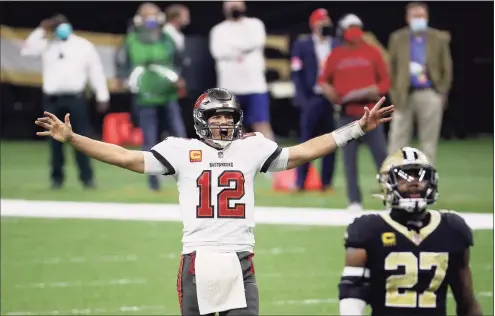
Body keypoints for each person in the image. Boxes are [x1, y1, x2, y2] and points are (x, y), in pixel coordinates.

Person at [35, 88, 393, 316]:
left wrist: (356, 129)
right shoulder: (180, 149)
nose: (222, 122)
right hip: (198, 258)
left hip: (241, 258)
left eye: (228, 116)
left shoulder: (252, 147)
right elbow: (126, 157)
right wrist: (74, 139)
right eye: (215, 116)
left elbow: (302, 153)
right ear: (201, 120)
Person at [338, 147, 482, 316]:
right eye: (403, 177)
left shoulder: (452, 228)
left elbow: (466, 300)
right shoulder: (368, 230)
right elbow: (352, 293)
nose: (414, 182)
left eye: (420, 176)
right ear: (386, 183)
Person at [21, 14, 109, 190]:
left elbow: (96, 70)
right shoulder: (46, 44)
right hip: (53, 100)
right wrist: (41, 29)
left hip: (76, 98)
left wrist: (102, 95)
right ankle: (56, 179)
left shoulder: (83, 45)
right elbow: (27, 51)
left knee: (81, 140)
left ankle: (87, 178)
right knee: (54, 142)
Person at [319, 14, 390, 212]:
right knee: (349, 161)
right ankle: (354, 200)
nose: (354, 31)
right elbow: (323, 80)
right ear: (342, 31)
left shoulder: (373, 52)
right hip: (346, 115)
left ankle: (391, 197)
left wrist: (371, 90)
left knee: (382, 158)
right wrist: (329, 91)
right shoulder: (336, 55)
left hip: (370, 114)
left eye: (356, 26)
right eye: (350, 27)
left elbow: (385, 82)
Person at [116, 2, 187, 191]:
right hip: (145, 96)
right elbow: (122, 62)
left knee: (180, 137)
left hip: (168, 94)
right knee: (149, 140)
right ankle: (153, 182)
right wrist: (123, 78)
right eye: (146, 15)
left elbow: (179, 61)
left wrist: (179, 77)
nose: (150, 19)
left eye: (153, 15)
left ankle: (188, 175)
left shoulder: (167, 38)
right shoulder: (131, 39)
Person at [387, 2, 453, 165]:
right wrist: (394, 94)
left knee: (428, 142)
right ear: (408, 18)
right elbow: (391, 67)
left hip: (429, 92)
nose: (420, 20)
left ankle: (426, 181)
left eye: (422, 16)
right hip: (404, 94)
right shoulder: (398, 38)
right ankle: (394, 178)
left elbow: (447, 66)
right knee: (397, 139)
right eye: (416, 16)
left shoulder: (437, 37)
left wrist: (442, 93)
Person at [209, 1, 275, 140]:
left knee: (262, 126)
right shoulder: (218, 30)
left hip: (255, 86)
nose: (235, 8)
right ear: (225, 9)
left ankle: (273, 160)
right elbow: (219, 52)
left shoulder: (255, 24)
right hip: (229, 89)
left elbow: (257, 42)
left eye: (237, 5)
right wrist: (245, 48)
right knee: (231, 129)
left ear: (244, 7)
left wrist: (232, 47)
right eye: (231, 6)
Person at [291, 8, 339, 192]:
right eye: (321, 21)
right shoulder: (303, 45)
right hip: (312, 97)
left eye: (327, 21)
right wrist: (302, 100)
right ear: (314, 24)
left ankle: (326, 183)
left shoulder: (335, 44)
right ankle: (300, 183)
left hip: (330, 99)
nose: (325, 25)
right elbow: (296, 72)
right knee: (305, 142)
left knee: (331, 141)